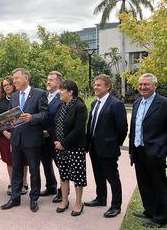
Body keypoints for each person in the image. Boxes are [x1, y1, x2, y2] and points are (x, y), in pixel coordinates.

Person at [0, 68, 48, 212]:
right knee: (16, 170)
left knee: (34, 170)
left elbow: (45, 114)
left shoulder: (39, 94)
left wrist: (32, 117)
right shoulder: (14, 96)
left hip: (33, 140)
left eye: (16, 78)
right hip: (16, 139)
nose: (14, 81)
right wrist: (8, 124)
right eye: (13, 79)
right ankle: (15, 198)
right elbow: (10, 116)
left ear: (26, 78)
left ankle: (34, 199)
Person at [84, 74, 128, 218]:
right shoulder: (94, 103)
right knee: (98, 175)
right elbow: (91, 125)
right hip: (94, 148)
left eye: (99, 85)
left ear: (108, 87)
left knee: (112, 178)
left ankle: (116, 206)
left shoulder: (116, 104)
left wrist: (115, 144)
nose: (95, 87)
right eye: (95, 85)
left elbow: (122, 128)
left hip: (108, 148)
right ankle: (101, 198)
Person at [129, 73, 167, 228]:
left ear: (155, 86)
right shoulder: (138, 102)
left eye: (146, 84)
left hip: (155, 151)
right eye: (140, 84)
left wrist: (162, 148)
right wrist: (131, 149)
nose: (142, 87)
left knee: (159, 185)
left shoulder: (163, 103)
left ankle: (161, 217)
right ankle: (150, 210)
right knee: (144, 183)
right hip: (139, 150)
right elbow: (134, 127)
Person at [54, 80, 88, 216]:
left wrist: (64, 144)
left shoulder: (80, 107)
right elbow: (56, 124)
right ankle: (64, 200)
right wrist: (56, 142)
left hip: (75, 148)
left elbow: (79, 130)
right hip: (60, 147)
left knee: (77, 176)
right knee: (64, 175)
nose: (59, 92)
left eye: (62, 90)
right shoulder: (61, 106)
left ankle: (79, 203)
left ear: (70, 92)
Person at [0, 76, 29, 196]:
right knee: (9, 160)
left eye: (9, 84)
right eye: (4, 85)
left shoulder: (19, 97)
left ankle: (24, 183)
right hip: (5, 136)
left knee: (23, 159)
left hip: (20, 133)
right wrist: (4, 132)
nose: (7, 86)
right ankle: (12, 182)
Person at [40, 71, 62, 201]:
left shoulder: (61, 97)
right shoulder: (44, 96)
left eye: (51, 80)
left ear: (58, 83)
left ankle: (62, 191)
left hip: (55, 138)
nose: (48, 82)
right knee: (46, 163)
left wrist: (49, 131)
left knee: (60, 165)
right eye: (47, 80)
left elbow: (61, 120)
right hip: (42, 138)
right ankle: (51, 186)